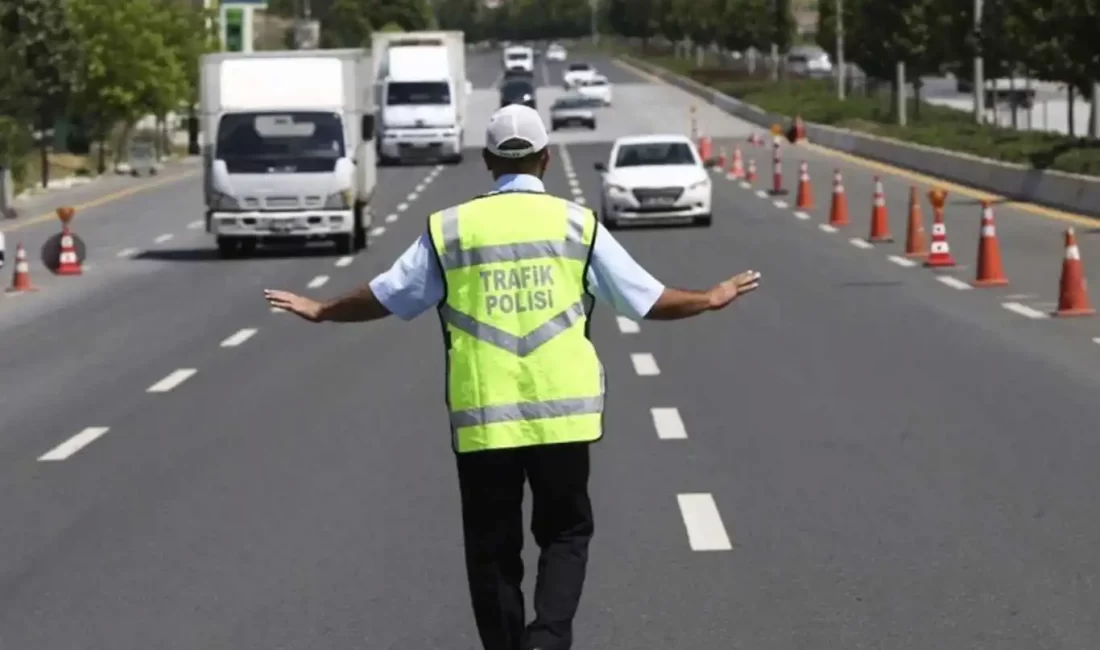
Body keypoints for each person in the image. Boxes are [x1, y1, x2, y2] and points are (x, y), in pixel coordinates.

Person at [264, 104, 761, 650]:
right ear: (546, 159)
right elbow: (647, 299)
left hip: (484, 417)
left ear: (488, 161)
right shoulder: (575, 224)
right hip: (565, 416)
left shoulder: (452, 228)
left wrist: (321, 308)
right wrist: (709, 298)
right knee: (566, 532)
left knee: (491, 547)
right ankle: (546, 639)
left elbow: (386, 295)